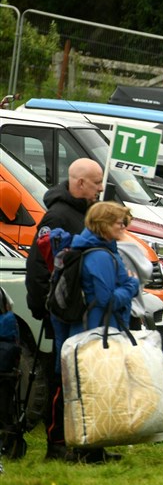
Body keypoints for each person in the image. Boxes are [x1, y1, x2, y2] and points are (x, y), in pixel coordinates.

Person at [25, 157, 106, 462]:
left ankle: (91, 445)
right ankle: (57, 446)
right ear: (80, 183)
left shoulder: (86, 213)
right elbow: (37, 268)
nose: (101, 187)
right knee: (64, 379)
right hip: (64, 315)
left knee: (89, 378)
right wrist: (47, 307)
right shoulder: (57, 217)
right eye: (96, 182)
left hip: (85, 313)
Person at [53, 201, 145, 464]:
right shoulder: (100, 256)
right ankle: (87, 451)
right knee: (93, 389)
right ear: (104, 224)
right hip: (96, 330)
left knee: (94, 389)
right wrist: (131, 284)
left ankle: (93, 448)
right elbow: (105, 299)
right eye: (119, 222)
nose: (123, 226)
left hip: (93, 328)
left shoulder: (97, 249)